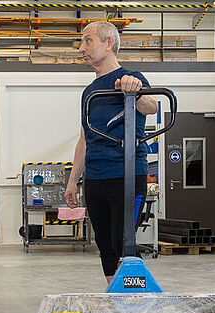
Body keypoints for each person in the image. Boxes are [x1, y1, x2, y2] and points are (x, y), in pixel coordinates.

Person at [64, 21, 159, 283]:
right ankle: (115, 295)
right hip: (95, 179)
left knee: (123, 241)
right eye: (81, 42)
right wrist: (73, 181)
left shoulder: (131, 77)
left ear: (109, 43)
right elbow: (85, 139)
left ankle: (135, 295)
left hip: (127, 177)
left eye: (88, 41)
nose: (81, 48)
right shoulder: (89, 92)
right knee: (105, 244)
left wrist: (136, 92)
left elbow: (152, 106)